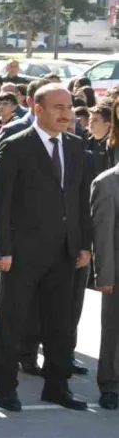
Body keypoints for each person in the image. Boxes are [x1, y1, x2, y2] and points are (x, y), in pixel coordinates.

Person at [0, 83, 92, 412]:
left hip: (64, 251)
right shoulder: (16, 145)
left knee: (60, 322)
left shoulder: (76, 147)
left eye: (70, 107)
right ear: (37, 108)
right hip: (22, 252)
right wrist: (3, 248)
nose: (67, 114)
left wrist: (83, 243)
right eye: (59, 107)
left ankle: (57, 386)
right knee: (12, 319)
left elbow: (79, 200)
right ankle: (5, 386)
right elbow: (1, 202)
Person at [92, 160, 119, 409]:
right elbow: (103, 236)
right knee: (113, 332)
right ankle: (110, 385)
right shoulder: (107, 183)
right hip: (117, 274)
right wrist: (106, 277)